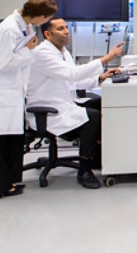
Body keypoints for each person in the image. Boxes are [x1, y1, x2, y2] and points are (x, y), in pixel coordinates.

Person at [0, 0, 58, 198]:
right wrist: (29, 50)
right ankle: (0, 186)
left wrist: (27, 50)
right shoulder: (7, 29)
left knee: (13, 139)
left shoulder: (24, 25)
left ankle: (12, 180)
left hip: (11, 92)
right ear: (41, 16)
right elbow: (4, 63)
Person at [25, 17, 124, 189]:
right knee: (92, 118)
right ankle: (84, 171)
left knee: (100, 104)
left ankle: (96, 158)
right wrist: (106, 58)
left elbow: (73, 82)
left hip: (64, 103)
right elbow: (72, 75)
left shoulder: (63, 52)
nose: (66, 31)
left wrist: (100, 77)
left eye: (66, 27)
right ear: (48, 34)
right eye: (60, 28)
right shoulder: (42, 54)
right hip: (48, 111)